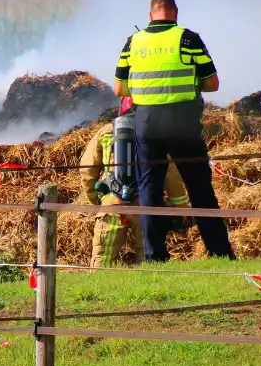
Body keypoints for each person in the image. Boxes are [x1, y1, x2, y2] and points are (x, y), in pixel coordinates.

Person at [113, 0, 235, 262]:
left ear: (150, 15)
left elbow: (119, 88)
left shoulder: (133, 41)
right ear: (175, 13)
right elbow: (213, 83)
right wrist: (192, 84)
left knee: (150, 191)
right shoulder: (188, 38)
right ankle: (219, 252)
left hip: (146, 125)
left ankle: (155, 256)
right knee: (200, 189)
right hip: (183, 125)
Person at [80, 97, 191, 268]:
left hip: (112, 203)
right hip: (145, 204)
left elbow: (87, 169)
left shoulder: (105, 132)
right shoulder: (156, 135)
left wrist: (95, 199)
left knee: (103, 259)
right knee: (148, 258)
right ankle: (149, 292)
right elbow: (171, 173)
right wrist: (180, 205)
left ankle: (97, 293)